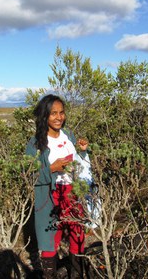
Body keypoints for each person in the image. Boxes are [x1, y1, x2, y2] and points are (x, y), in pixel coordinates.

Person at [26, 94, 88, 279]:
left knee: (78, 236)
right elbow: (28, 175)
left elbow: (80, 165)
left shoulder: (69, 135)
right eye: (53, 113)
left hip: (74, 194)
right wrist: (52, 168)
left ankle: (77, 275)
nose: (59, 117)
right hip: (50, 196)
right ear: (44, 116)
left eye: (61, 112)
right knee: (50, 241)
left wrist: (83, 152)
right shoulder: (35, 143)